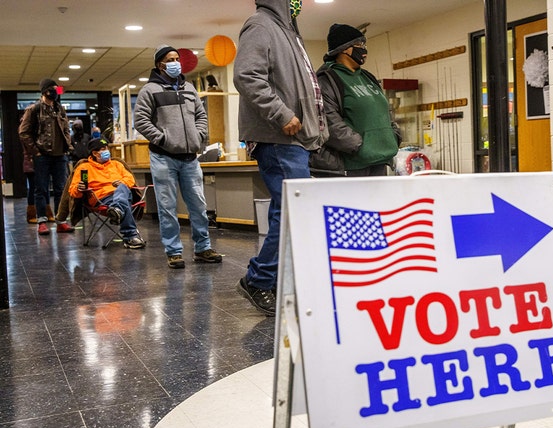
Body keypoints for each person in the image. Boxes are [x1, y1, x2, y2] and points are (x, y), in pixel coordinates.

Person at [233, 0, 328, 315]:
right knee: (291, 210)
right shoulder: (261, 25)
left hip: (294, 138)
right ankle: (260, 279)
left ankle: (273, 280)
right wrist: (281, 113)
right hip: (279, 136)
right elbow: (246, 75)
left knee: (286, 210)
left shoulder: (288, 31)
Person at [134, 44, 222, 269]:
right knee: (167, 207)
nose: (175, 63)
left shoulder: (189, 88)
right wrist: (163, 139)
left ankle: (203, 249)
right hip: (163, 158)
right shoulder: (150, 90)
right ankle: (173, 252)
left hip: (190, 159)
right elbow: (141, 121)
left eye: (177, 58)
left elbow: (201, 115)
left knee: (199, 206)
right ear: (159, 64)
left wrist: (200, 135)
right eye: (170, 59)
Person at [312, 23, 399, 177]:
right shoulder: (327, 80)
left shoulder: (368, 77)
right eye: (359, 44)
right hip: (351, 165)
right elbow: (329, 122)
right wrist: (359, 146)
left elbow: (385, 111)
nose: (364, 49)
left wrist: (393, 137)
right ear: (344, 49)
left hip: (380, 160)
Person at [18, 78, 76, 235]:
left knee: (61, 190)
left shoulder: (59, 109)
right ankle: (42, 221)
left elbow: (65, 129)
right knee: (41, 189)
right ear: (44, 91)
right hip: (42, 156)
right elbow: (23, 132)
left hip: (60, 156)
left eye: (57, 90)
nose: (55, 93)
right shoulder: (34, 109)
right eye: (53, 90)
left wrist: (67, 146)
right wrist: (35, 151)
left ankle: (61, 221)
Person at [68, 138, 146, 249]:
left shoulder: (117, 164)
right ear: (95, 153)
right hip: (101, 199)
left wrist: (122, 182)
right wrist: (79, 188)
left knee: (122, 188)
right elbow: (72, 190)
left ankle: (117, 210)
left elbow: (130, 179)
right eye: (103, 149)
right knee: (124, 202)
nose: (107, 151)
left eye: (107, 148)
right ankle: (130, 236)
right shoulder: (84, 168)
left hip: (120, 193)